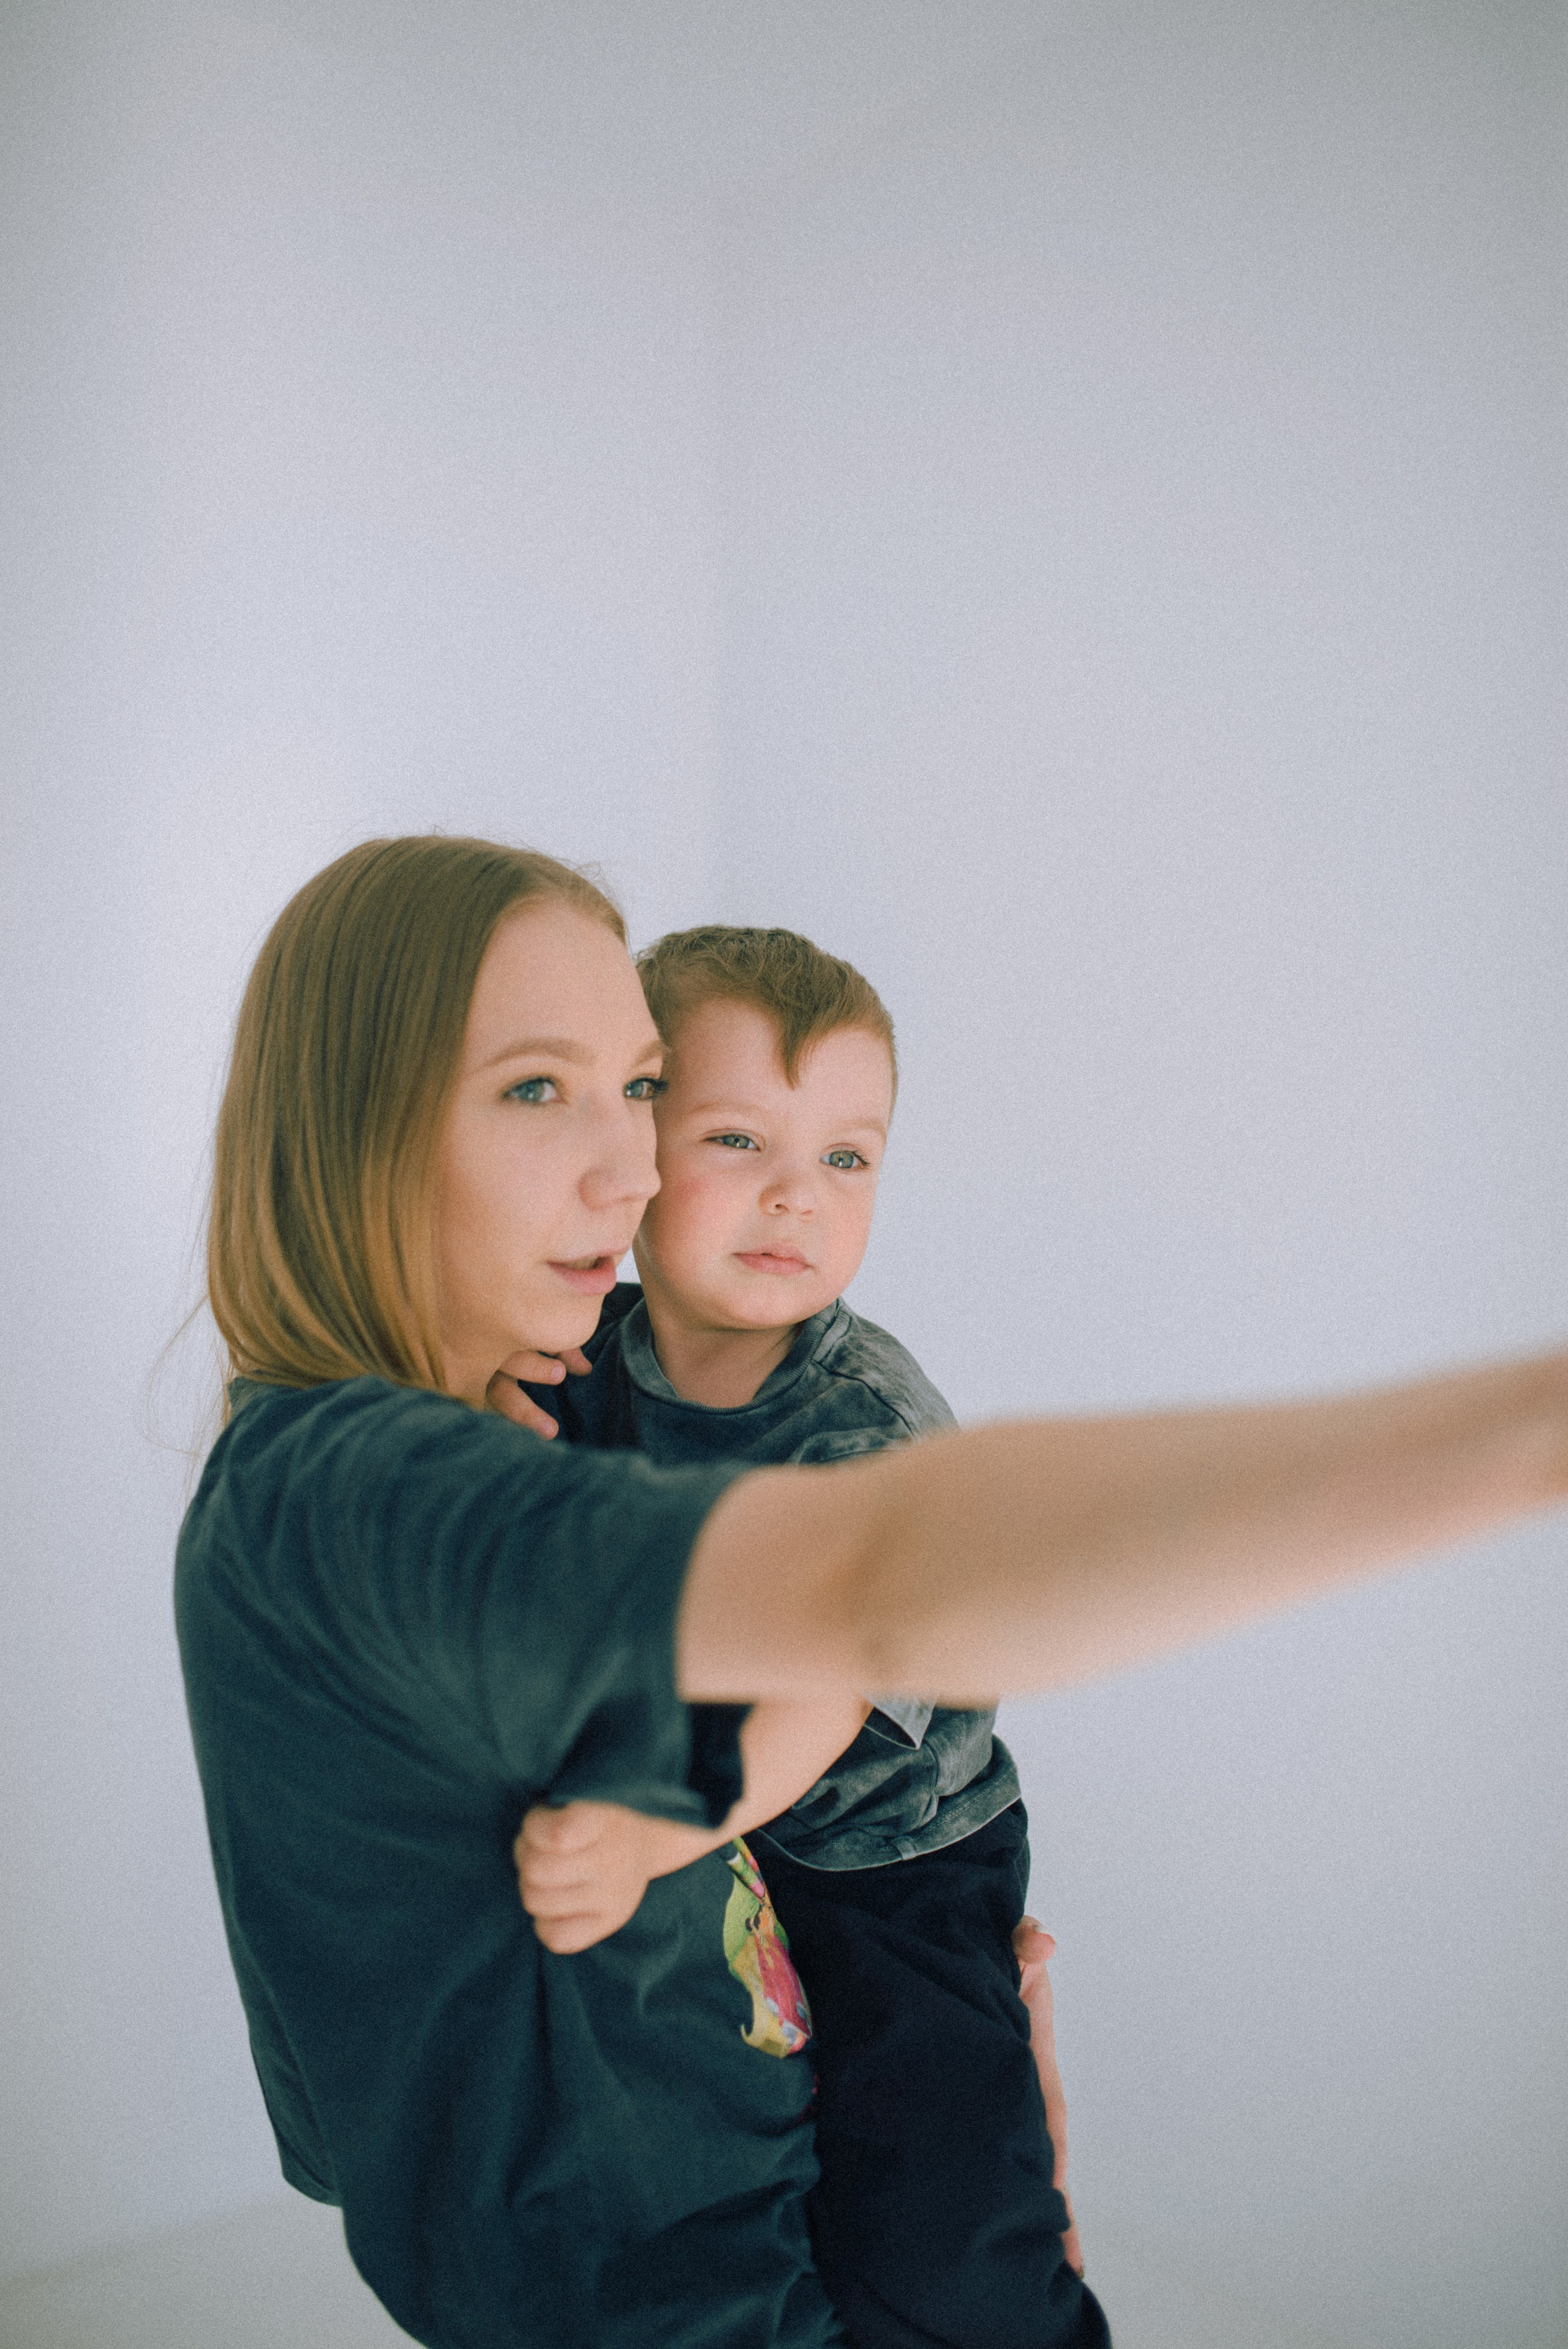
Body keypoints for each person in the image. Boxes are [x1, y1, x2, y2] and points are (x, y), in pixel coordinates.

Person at [178, 833, 1568, 2349]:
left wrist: (929, 2059)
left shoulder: (521, 1424)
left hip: (810, 2194)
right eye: (535, 1086)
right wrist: (1521, 1439)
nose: (632, 1165)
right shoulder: (343, 1492)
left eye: (640, 1088)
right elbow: (874, 1571)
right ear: (351, 1127)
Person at [508, 924, 1104, 2349]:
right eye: (738, 1137)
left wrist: (659, 1830)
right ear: (635, 1141)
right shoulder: (610, 1340)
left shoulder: (859, 1425)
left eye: (847, 1156)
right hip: (740, 1840)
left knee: (939, 2235)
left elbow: (820, 1701)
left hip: (893, 1861)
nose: (797, 1196)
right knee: (737, 2202)